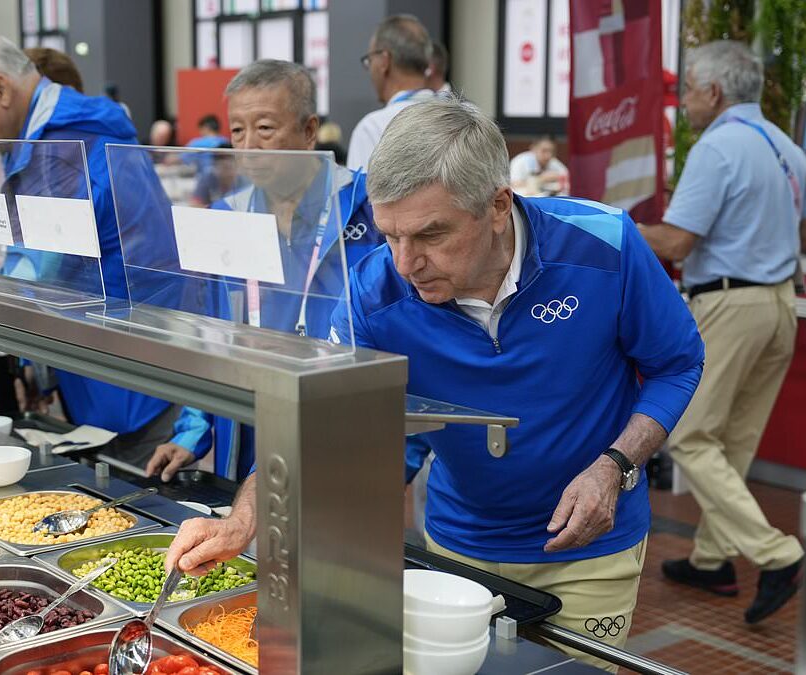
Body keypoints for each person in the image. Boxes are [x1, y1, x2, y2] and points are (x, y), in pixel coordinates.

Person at [169, 98, 705, 671]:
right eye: (390, 236)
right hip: (457, 548)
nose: (405, 262)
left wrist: (616, 466)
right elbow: (314, 420)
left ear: (498, 205)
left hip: (592, 549)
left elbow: (677, 364)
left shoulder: (606, 245)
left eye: (430, 235)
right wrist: (244, 521)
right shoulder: (372, 293)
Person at [0, 24, 177, 470]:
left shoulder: (63, 146)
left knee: (138, 495)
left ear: (0, 88)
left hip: (130, 365)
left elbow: (41, 267)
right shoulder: (49, 138)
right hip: (109, 353)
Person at [638, 40, 806, 625]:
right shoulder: (791, 149)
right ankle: (713, 559)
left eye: (688, 88)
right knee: (734, 440)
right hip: (780, 306)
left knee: (688, 434)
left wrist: (610, 222)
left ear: (714, 92)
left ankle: (779, 555)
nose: (684, 99)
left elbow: (674, 243)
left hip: (730, 304)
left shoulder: (717, 147)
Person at [147, 59, 383, 487]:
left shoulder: (367, 206)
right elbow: (211, 334)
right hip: (251, 419)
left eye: (266, 129)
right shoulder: (228, 215)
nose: (249, 146)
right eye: (238, 130)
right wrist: (193, 430)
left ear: (309, 131)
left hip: (345, 417)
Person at [346, 15, 437, 171]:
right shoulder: (465, 117)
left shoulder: (372, 129)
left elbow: (359, 195)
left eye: (370, 60)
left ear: (384, 61)